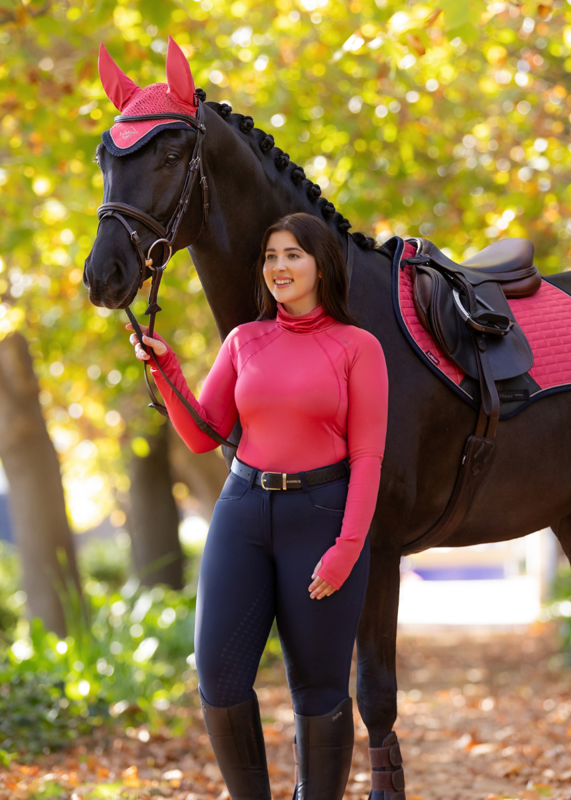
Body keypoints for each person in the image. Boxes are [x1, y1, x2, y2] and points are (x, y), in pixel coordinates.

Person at [126, 212, 389, 800]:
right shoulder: (244, 340)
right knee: (218, 676)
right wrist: (166, 368)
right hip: (242, 510)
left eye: (292, 254)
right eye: (270, 256)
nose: (278, 267)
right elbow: (203, 433)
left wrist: (347, 549)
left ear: (321, 265)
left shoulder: (358, 348)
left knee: (319, 687)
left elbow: (368, 457)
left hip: (322, 515)